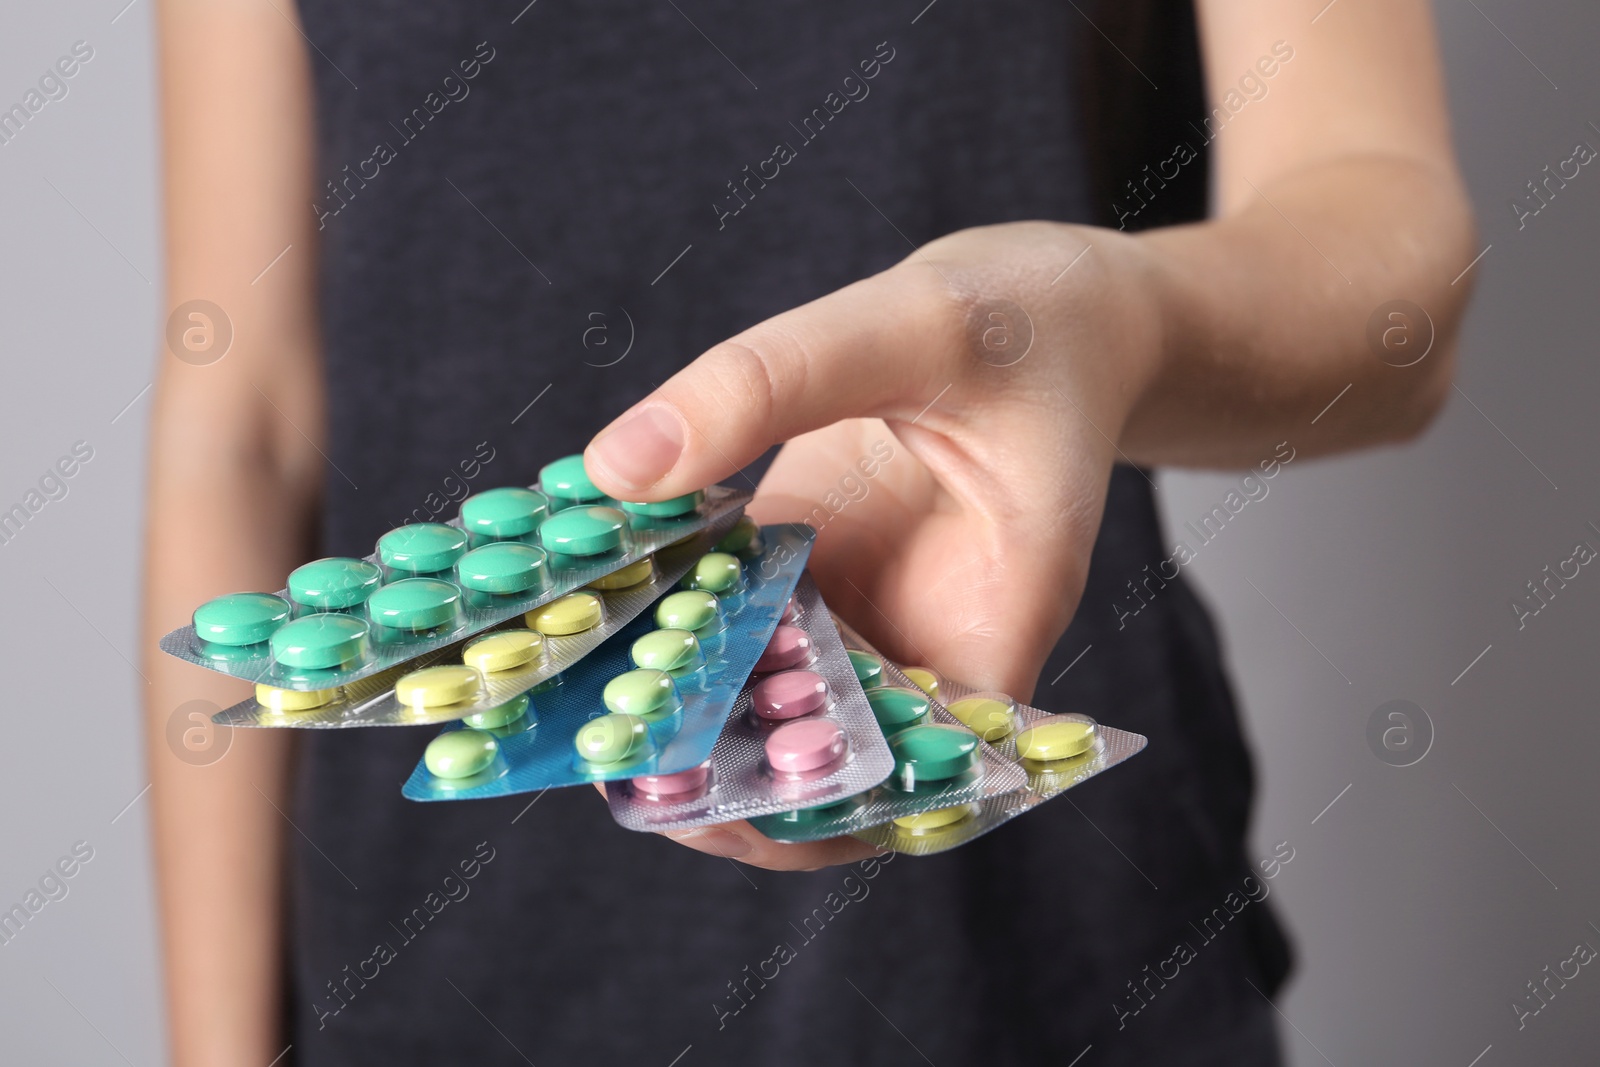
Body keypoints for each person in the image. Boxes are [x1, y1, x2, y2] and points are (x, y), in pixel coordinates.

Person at [142, 0, 1474, 1063]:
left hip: (1039, 946)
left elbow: (1384, 250)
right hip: (436, 967)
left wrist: (1096, 315)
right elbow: (241, 421)